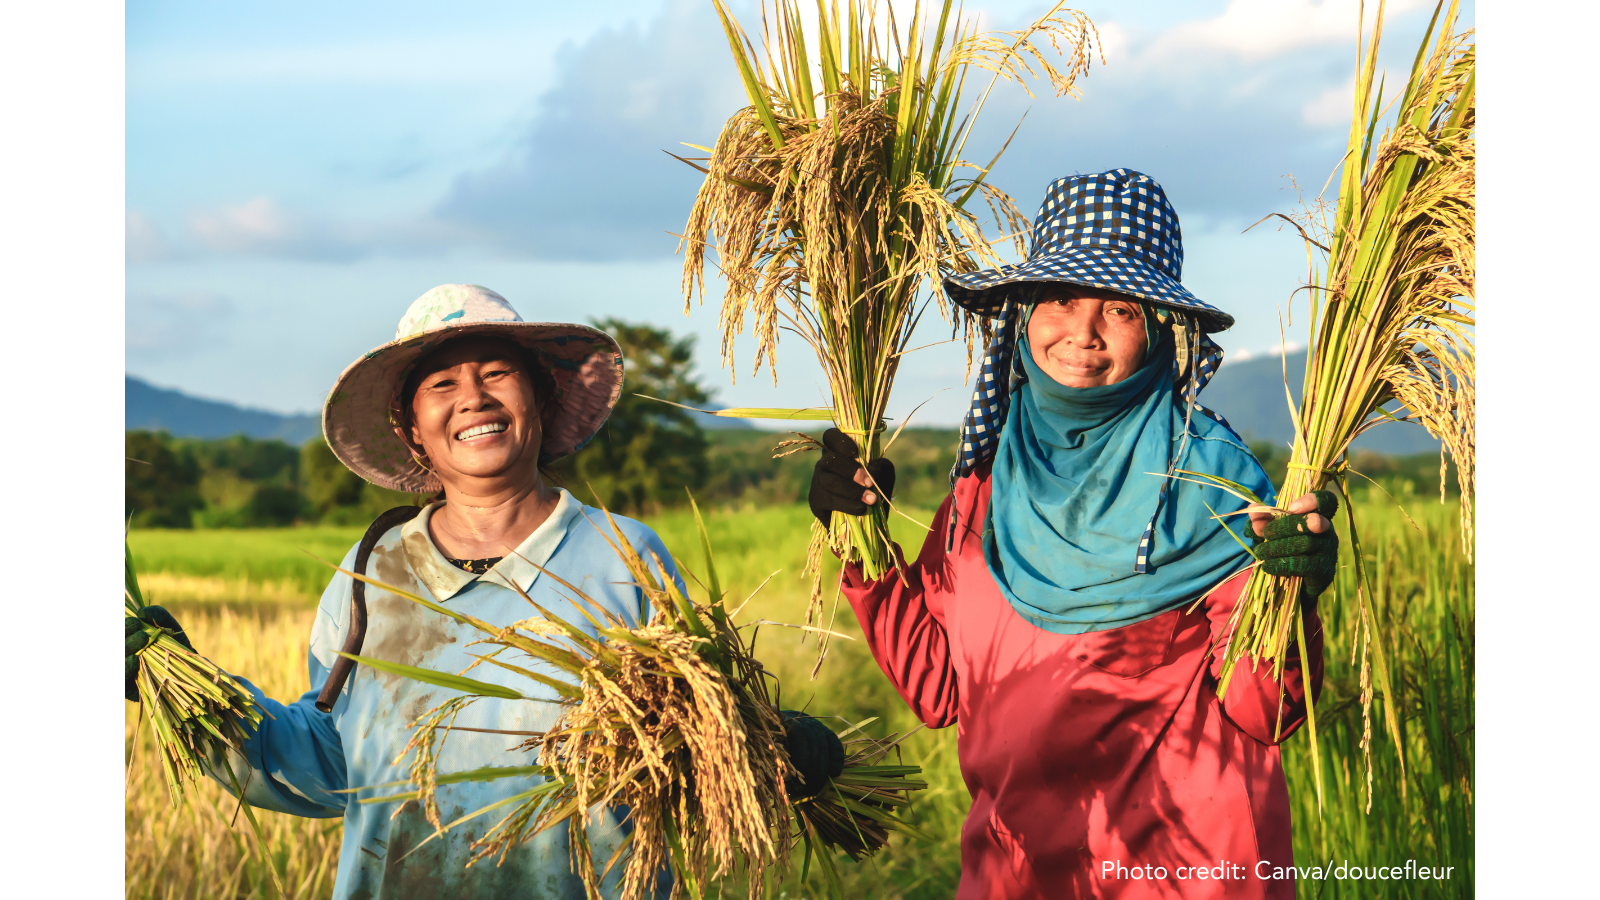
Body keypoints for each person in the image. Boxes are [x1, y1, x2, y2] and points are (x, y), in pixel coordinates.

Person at [124, 285, 840, 899]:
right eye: (441, 385)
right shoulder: (371, 571)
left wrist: (763, 746)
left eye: (497, 373)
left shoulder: (625, 558)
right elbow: (330, 761)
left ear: (540, 397)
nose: (472, 397)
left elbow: (685, 741)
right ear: (412, 430)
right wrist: (191, 696)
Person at [808, 170, 1336, 900]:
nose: (1081, 332)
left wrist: (1292, 597)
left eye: (1119, 307)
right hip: (1015, 869)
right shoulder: (985, 487)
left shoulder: (1212, 483)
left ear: (1157, 329)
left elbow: (1264, 710)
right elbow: (939, 687)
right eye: (1060, 298)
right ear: (1023, 314)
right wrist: (860, 539)